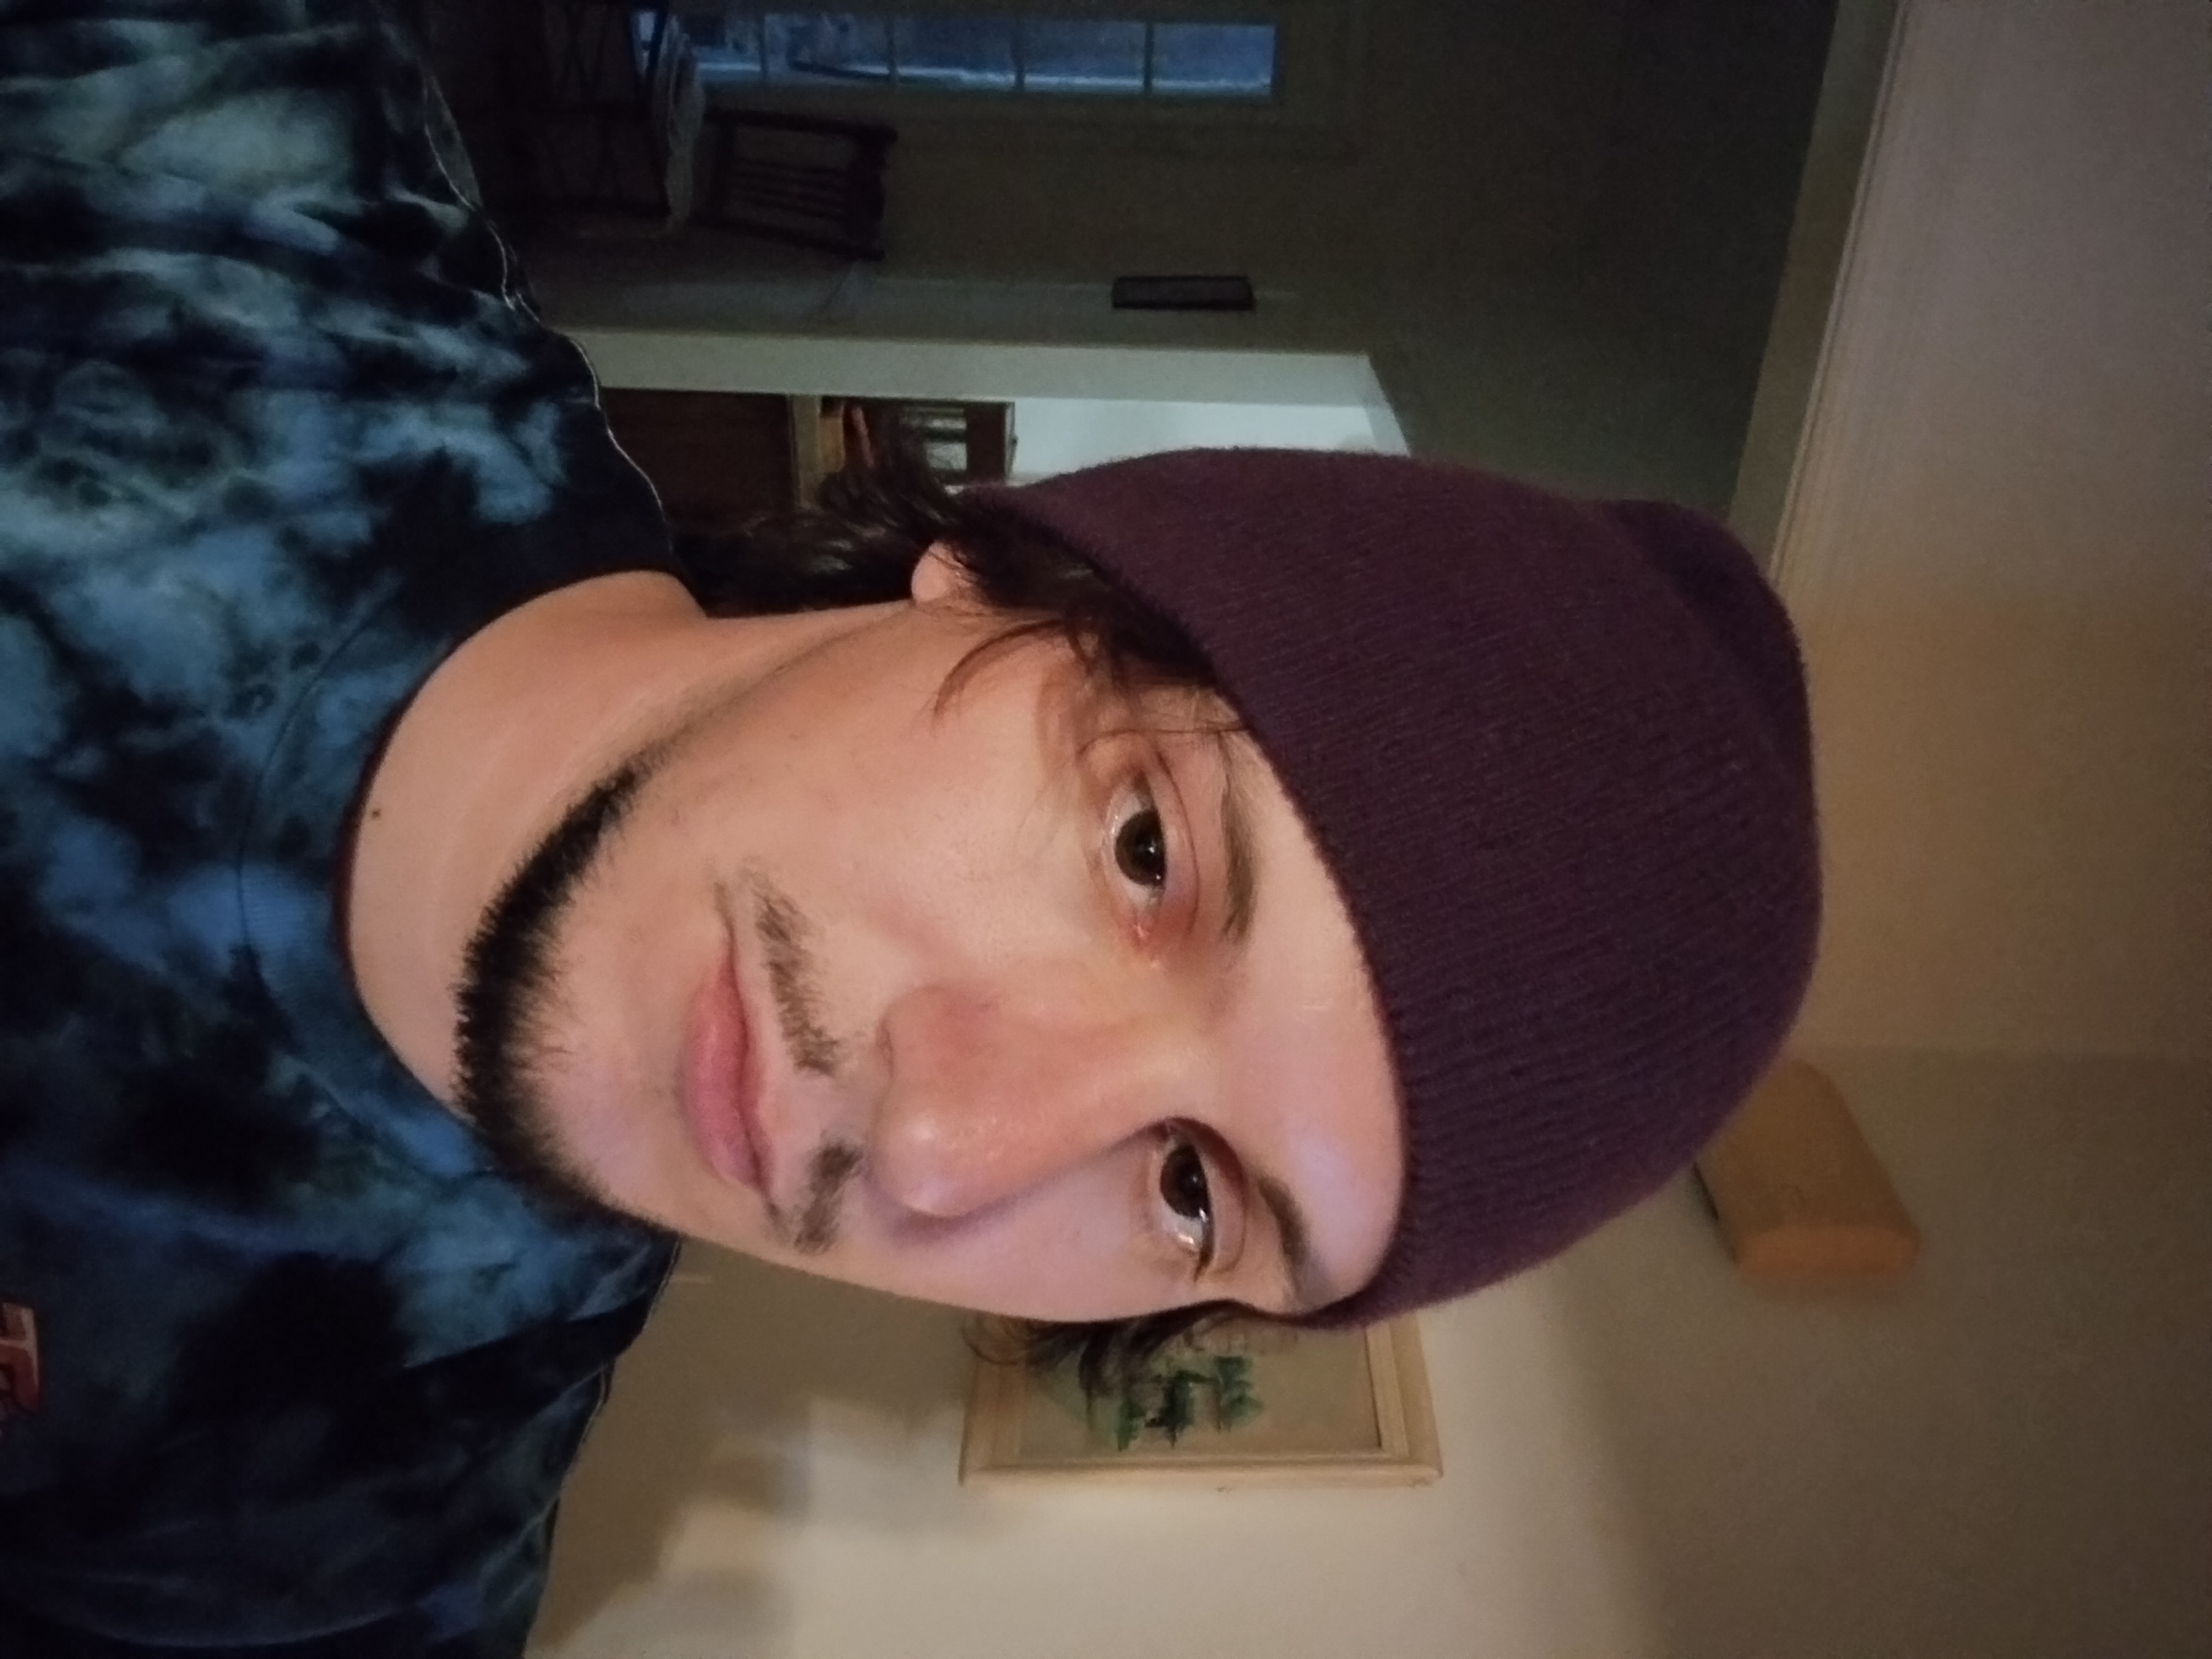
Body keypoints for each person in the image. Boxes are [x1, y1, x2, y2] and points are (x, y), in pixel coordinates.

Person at [0, 0, 1819, 1652]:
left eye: (1192, 1193)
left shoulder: (347, 1529)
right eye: (1146, 854)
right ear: (1003, 574)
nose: (946, 1149)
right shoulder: (208, 171)